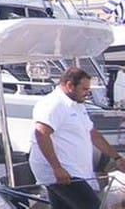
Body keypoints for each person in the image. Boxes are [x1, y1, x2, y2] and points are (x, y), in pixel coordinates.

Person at [31, 67, 125, 208]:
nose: (87, 93)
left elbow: (93, 134)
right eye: (84, 89)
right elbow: (41, 133)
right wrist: (57, 168)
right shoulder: (53, 104)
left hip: (74, 171)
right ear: (69, 85)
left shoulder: (77, 104)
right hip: (62, 173)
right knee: (93, 206)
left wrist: (116, 158)